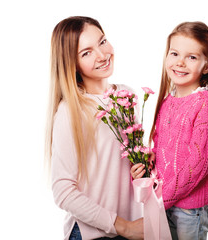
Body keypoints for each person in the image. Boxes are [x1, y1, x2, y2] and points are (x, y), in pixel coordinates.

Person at [45, 16, 143, 240]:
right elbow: (63, 191)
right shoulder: (71, 110)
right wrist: (123, 226)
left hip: (133, 229)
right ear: (72, 64)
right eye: (86, 52)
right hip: (93, 233)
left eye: (102, 41)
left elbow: (121, 165)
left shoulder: (126, 95)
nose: (102, 55)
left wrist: (142, 167)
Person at [131, 21, 208, 240]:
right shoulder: (169, 99)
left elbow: (199, 163)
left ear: (207, 65)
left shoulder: (204, 103)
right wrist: (152, 158)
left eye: (192, 57)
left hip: (188, 209)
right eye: (174, 54)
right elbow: (168, 147)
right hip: (164, 200)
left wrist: (163, 198)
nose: (180, 63)